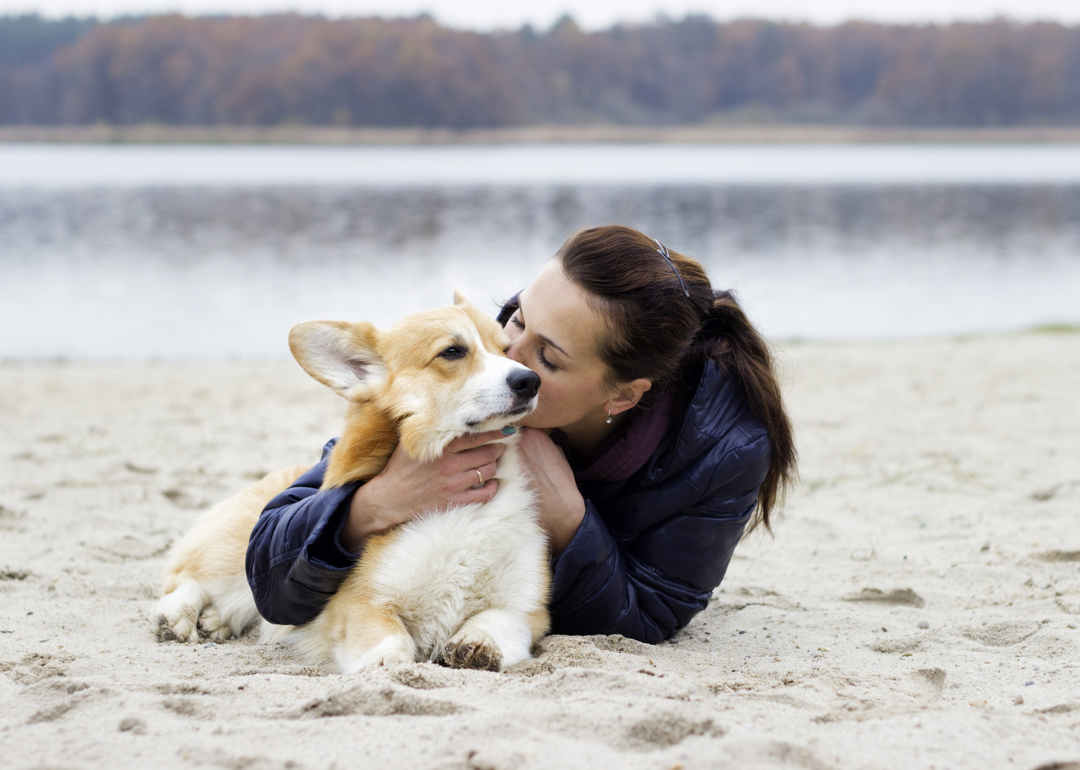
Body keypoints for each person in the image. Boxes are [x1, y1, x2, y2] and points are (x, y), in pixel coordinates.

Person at [246, 225, 796, 643]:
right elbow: (270, 572)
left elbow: (651, 617)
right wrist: (370, 506)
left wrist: (571, 522)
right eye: (517, 317)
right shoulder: (480, 359)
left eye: (548, 359)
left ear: (623, 395)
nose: (509, 359)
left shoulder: (725, 448)